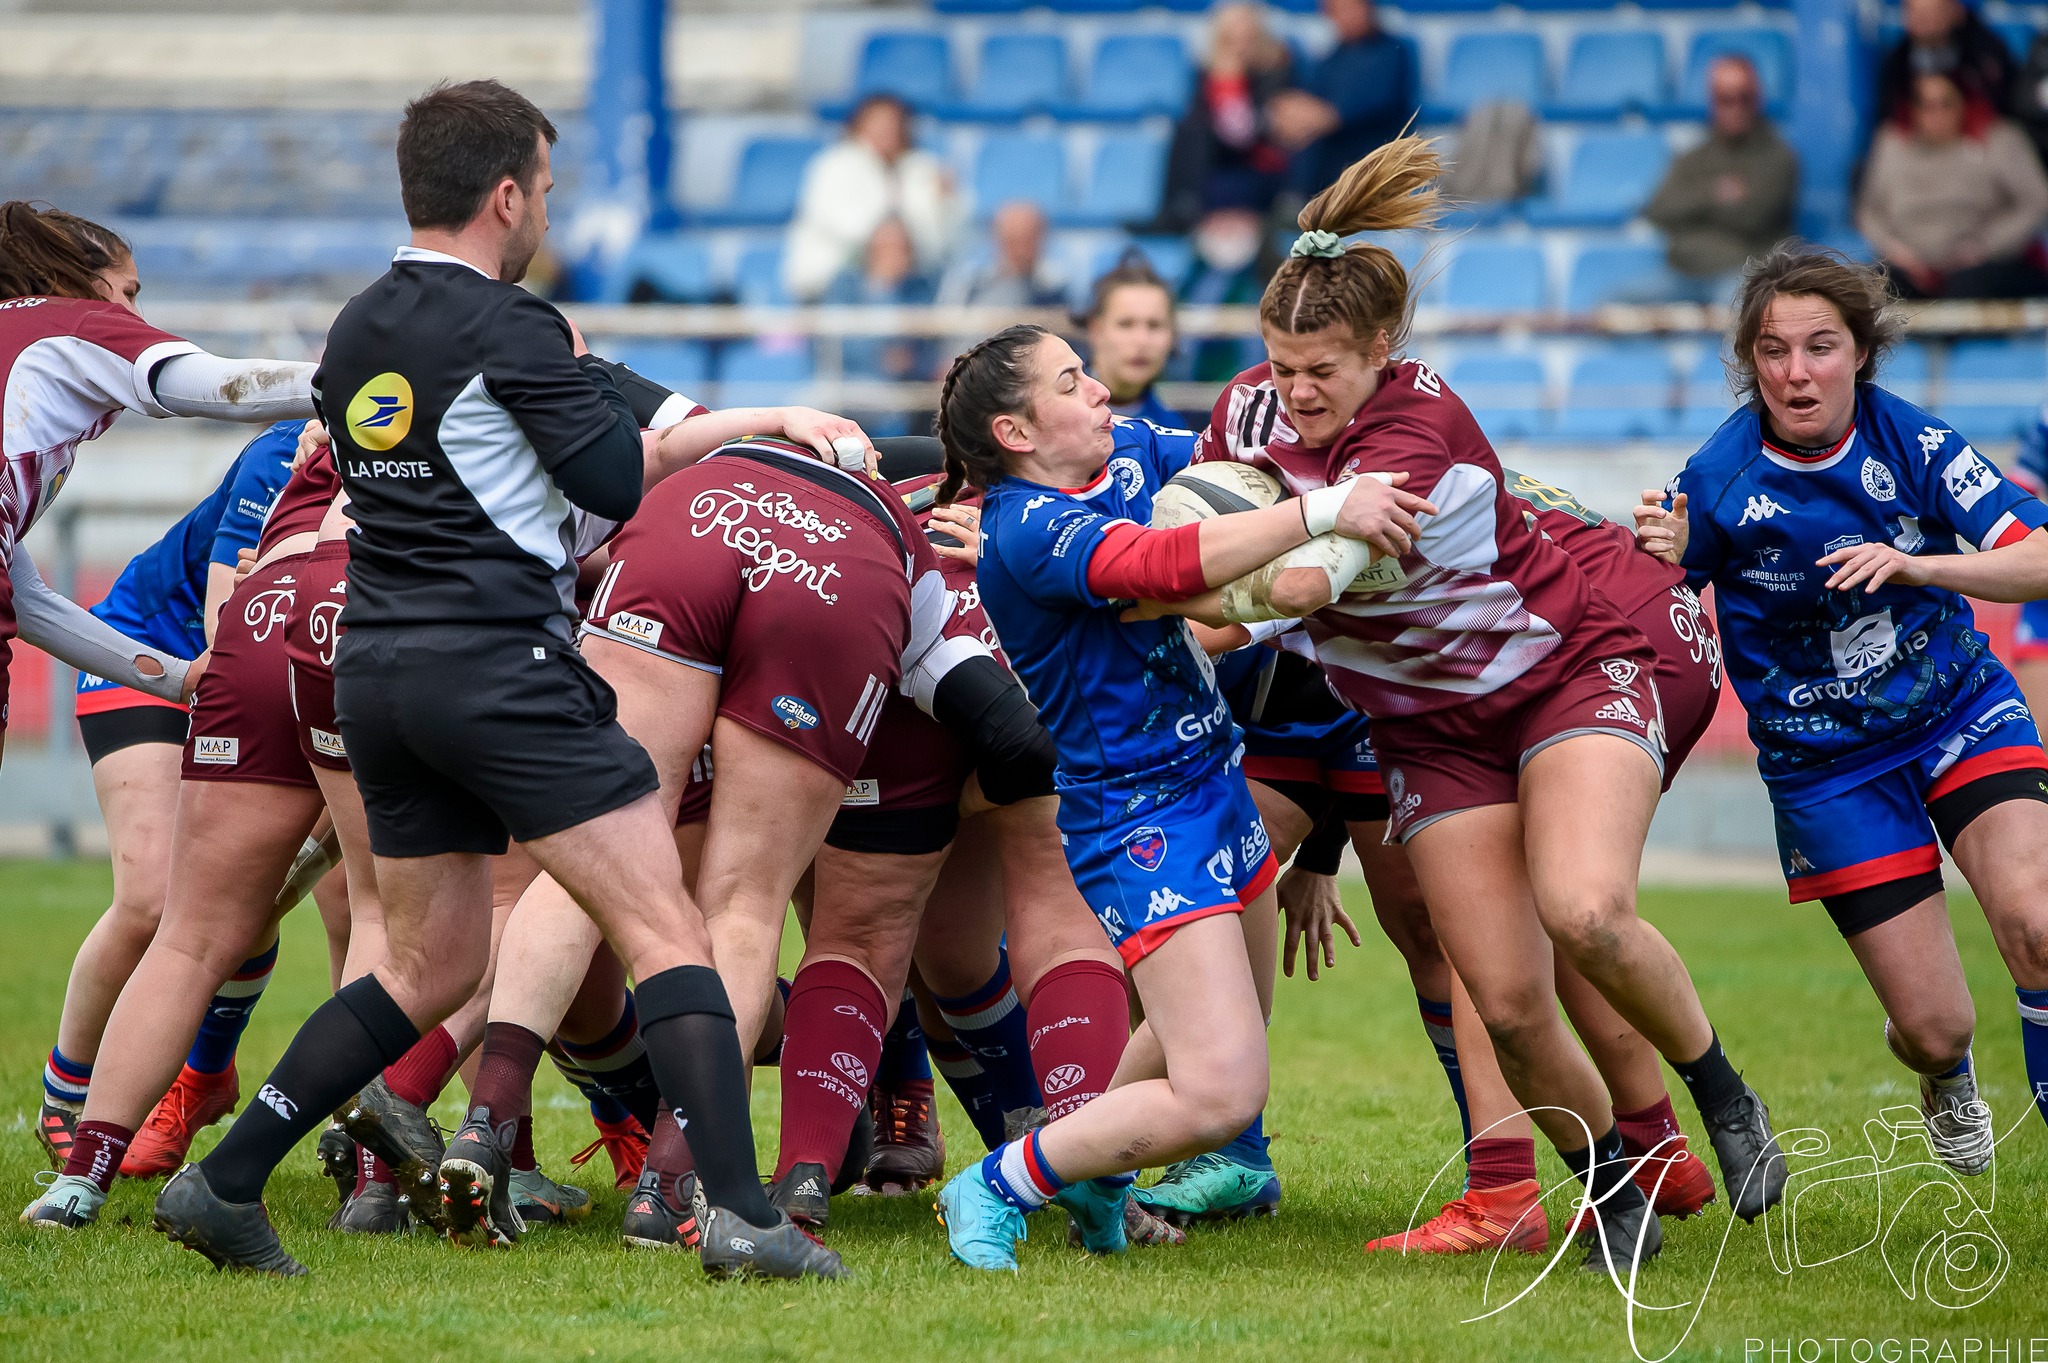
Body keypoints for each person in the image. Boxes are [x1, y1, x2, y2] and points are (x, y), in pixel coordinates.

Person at [129, 79, 842, 1281]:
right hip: (499, 668)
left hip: (376, 673)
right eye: (546, 190)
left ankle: (225, 1181)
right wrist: (623, 389)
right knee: (668, 926)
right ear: (505, 195)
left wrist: (747, 419)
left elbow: (527, 454)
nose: (549, 213)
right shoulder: (515, 327)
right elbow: (614, 480)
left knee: (429, 964)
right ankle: (741, 1217)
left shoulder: (359, 324)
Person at [1184, 137, 1788, 1273]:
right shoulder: (1246, 414)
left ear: (1382, 351)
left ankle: (1722, 1094)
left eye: (1321, 369)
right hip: (1425, 727)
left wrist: (1167, 589)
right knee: (1504, 1001)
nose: (1296, 393)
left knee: (1584, 910)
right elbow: (1205, 529)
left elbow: (1297, 584)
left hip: (1560, 673)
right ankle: (1616, 1187)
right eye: (1279, 365)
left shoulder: (1416, 433)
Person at [927, 323, 1421, 1271]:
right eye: (1070, 381)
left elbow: (1233, 438)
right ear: (1016, 432)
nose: (1098, 389)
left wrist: (1323, 368)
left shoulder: (1122, 456)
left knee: (1213, 1030)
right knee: (1222, 1092)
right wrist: (1326, 511)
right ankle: (997, 1182)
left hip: (1216, 783)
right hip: (1139, 823)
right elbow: (1163, 567)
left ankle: (1097, 1179)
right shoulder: (1025, 529)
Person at [1636, 243, 2048, 1169]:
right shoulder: (1718, 477)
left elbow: (2040, 554)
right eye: (1773, 350)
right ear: (1750, 362)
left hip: (1958, 710)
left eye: (1820, 347)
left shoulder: (1915, 442)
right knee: (1937, 1027)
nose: (1796, 372)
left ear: (1860, 352)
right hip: (1828, 768)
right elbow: (1659, 607)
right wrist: (1665, 555)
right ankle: (1945, 1074)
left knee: (2040, 927)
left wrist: (1918, 566)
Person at [33, 420, 300, 1179]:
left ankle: (206, 1078)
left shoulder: (421, 462)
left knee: (259, 891)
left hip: (273, 674)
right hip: (154, 653)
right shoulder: (285, 453)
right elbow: (224, 622)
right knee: (153, 894)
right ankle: (67, 1093)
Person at [0, 201, 317, 767]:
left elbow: (26, 601)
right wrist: (360, 383)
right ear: (76, 282)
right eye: (128, 292)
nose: (135, 316)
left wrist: (176, 679)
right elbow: (217, 384)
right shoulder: (76, 320)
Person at [1857, 71, 2048, 300]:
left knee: (1968, 287)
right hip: (1909, 266)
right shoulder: (1891, 142)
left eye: (1945, 103)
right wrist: (1896, 252)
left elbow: (2036, 202)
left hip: (1984, 264)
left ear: (1964, 102)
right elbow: (1868, 211)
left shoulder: (1999, 139)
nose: (1936, 114)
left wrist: (1984, 247)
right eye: (1925, 105)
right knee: (1864, 287)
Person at [1643, 55, 1799, 304]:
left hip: (1743, 274)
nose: (1735, 107)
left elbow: (1752, 217)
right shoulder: (1694, 156)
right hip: (1680, 276)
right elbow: (1658, 210)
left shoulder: (1779, 158)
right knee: (1615, 306)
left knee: (1735, 307)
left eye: (1744, 97)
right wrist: (1715, 193)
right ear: (1712, 101)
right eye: (1725, 99)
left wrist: (1692, 207)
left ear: (1758, 99)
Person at [785, 93, 960, 304]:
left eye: (893, 123)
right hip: (837, 282)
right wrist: (886, 240)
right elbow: (835, 220)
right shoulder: (834, 165)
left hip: (912, 282)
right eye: (878, 122)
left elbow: (943, 240)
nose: (887, 129)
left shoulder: (923, 168)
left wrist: (944, 205)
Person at [1156, 2, 1295, 234]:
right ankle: (1178, 206)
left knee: (1225, 188)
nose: (1239, 46)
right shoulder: (1207, 73)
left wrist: (1230, 85)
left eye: (1247, 38)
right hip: (1218, 164)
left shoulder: (1277, 70)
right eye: (1231, 40)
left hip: (1260, 166)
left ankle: (1185, 208)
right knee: (1188, 129)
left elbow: (1244, 133)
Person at [1265, 0, 1418, 202]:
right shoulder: (1330, 59)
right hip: (1327, 171)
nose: (1348, 15)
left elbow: (1375, 103)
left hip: (1374, 164)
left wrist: (1328, 117)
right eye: (1338, 10)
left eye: (1353, 7)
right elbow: (1308, 103)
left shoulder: (1393, 52)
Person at [823, 218, 937, 439]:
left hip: (896, 390)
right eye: (883, 248)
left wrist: (910, 362)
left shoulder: (919, 289)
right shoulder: (844, 284)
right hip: (842, 380)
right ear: (869, 251)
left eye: (899, 249)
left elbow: (926, 351)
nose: (891, 256)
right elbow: (836, 343)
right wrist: (882, 287)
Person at [1876, 0, 2015, 129]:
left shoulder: (1985, 53)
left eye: (1932, 13)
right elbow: (1889, 112)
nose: (1923, 21)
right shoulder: (1896, 62)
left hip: (1977, 137)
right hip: (1918, 140)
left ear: (1955, 11)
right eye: (1915, 12)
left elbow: (2002, 104)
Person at [1084, 255, 1183, 430]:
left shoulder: (1173, 431)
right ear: (1096, 331)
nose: (1142, 340)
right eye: (1126, 324)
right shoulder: (1057, 417)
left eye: (1154, 325)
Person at [938, 201, 1066, 310]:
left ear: (1043, 238)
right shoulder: (968, 284)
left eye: (1028, 240)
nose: (1020, 251)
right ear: (996, 239)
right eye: (1012, 241)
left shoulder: (1058, 287)